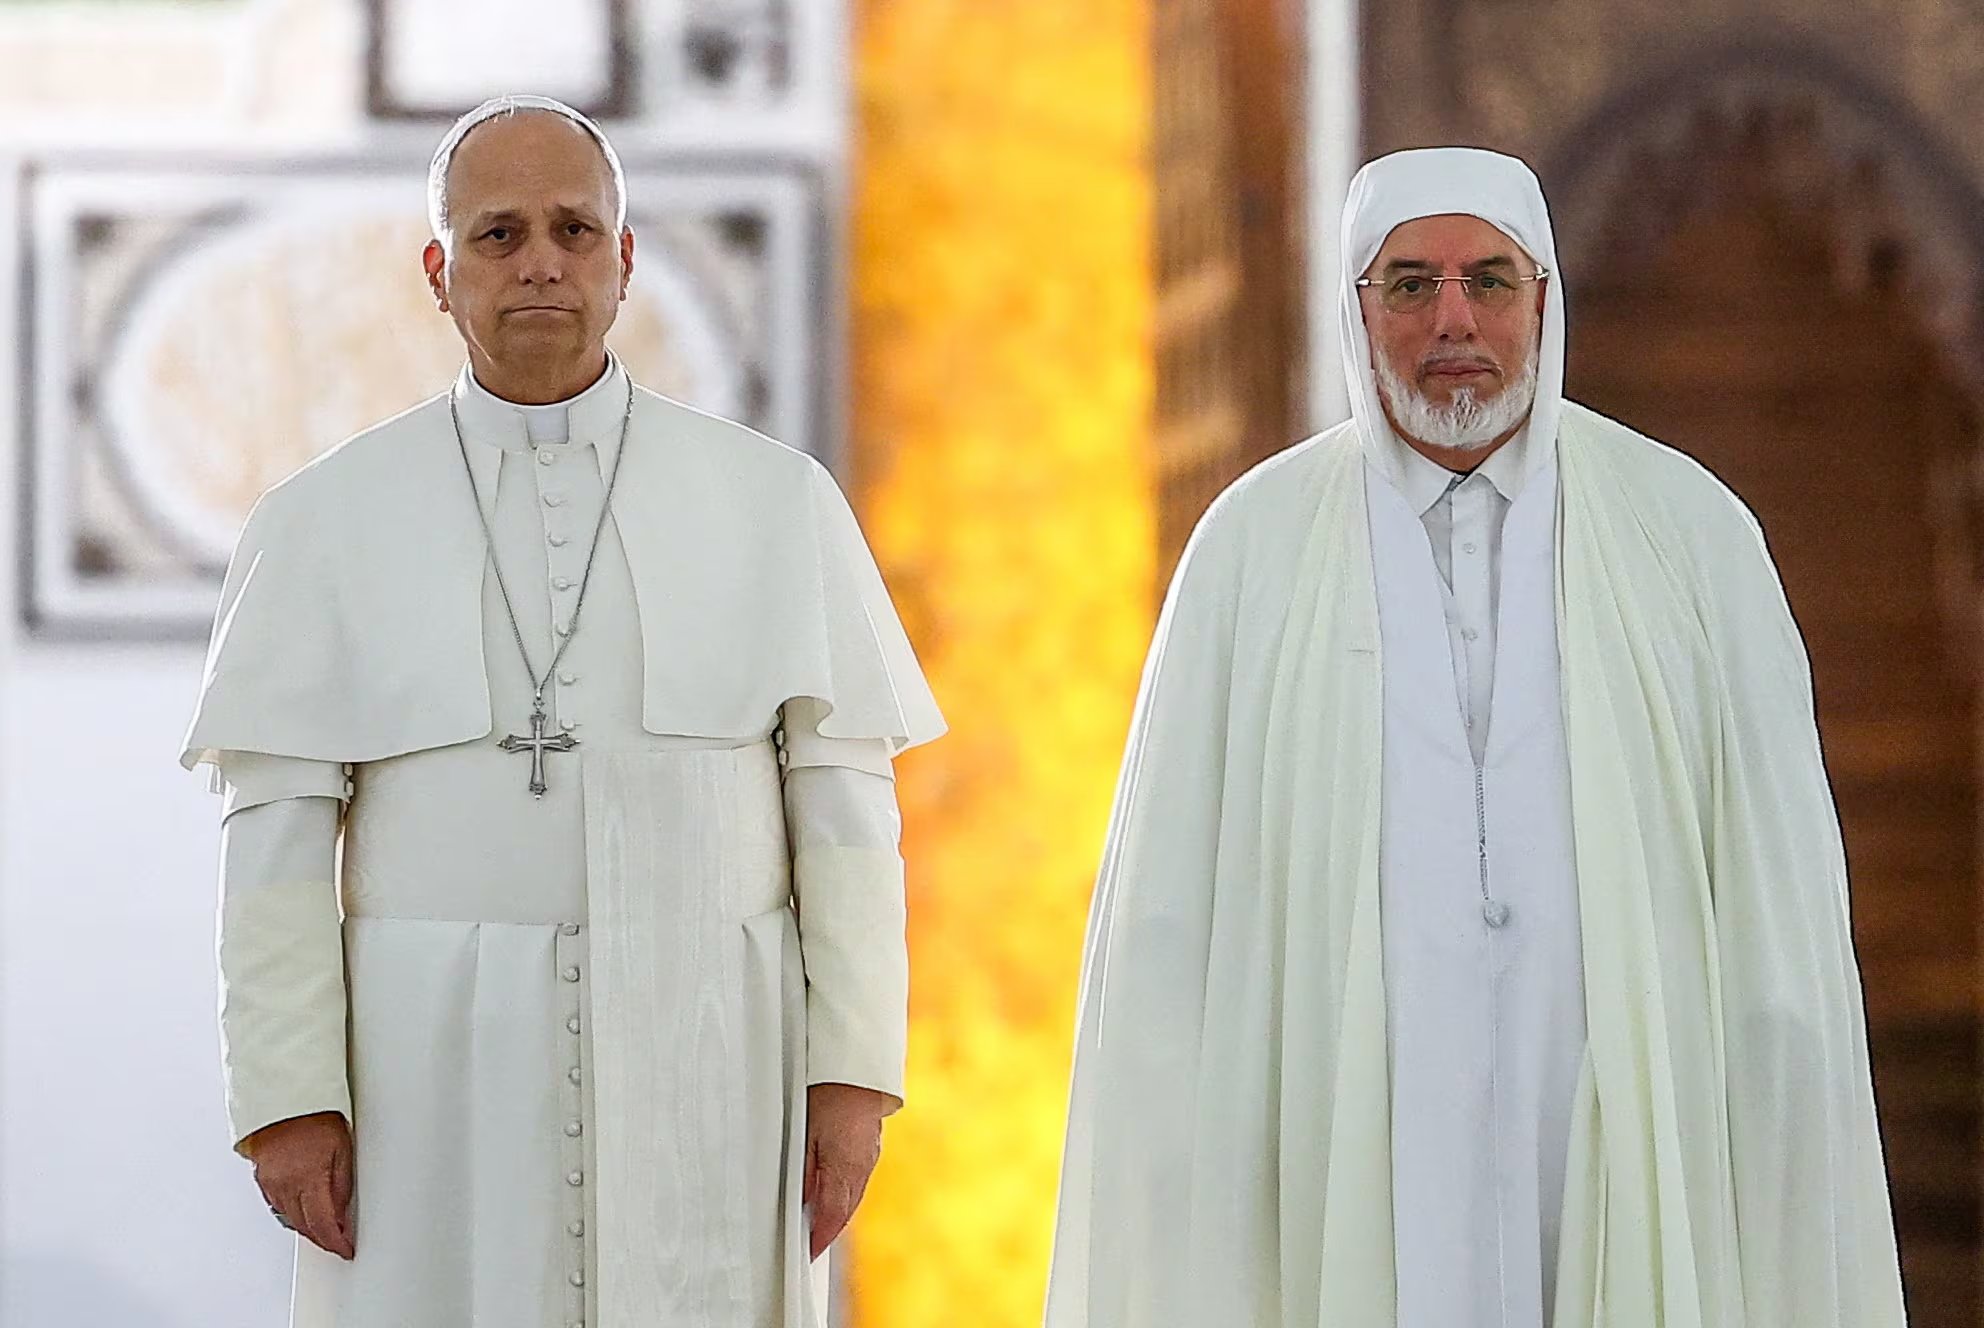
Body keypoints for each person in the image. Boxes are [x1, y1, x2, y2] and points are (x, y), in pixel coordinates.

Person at [1045, 146, 1905, 1327]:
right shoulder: (1250, 549)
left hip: (1615, 1098)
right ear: (1355, 310)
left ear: (1543, 301)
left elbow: (1777, 897)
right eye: (1409, 284)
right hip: (1337, 1125)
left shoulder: (1689, 534)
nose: (1453, 318)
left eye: (1487, 281)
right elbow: (1161, 927)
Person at [181, 93, 943, 1327]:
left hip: (707, 1042)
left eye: (575, 230)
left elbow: (849, 819)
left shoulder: (773, 503)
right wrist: (286, 1093)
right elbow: (269, 847)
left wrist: (852, 1074)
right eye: (497, 234)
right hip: (431, 1066)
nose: (540, 259)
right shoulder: (321, 522)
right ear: (438, 272)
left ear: (625, 259)